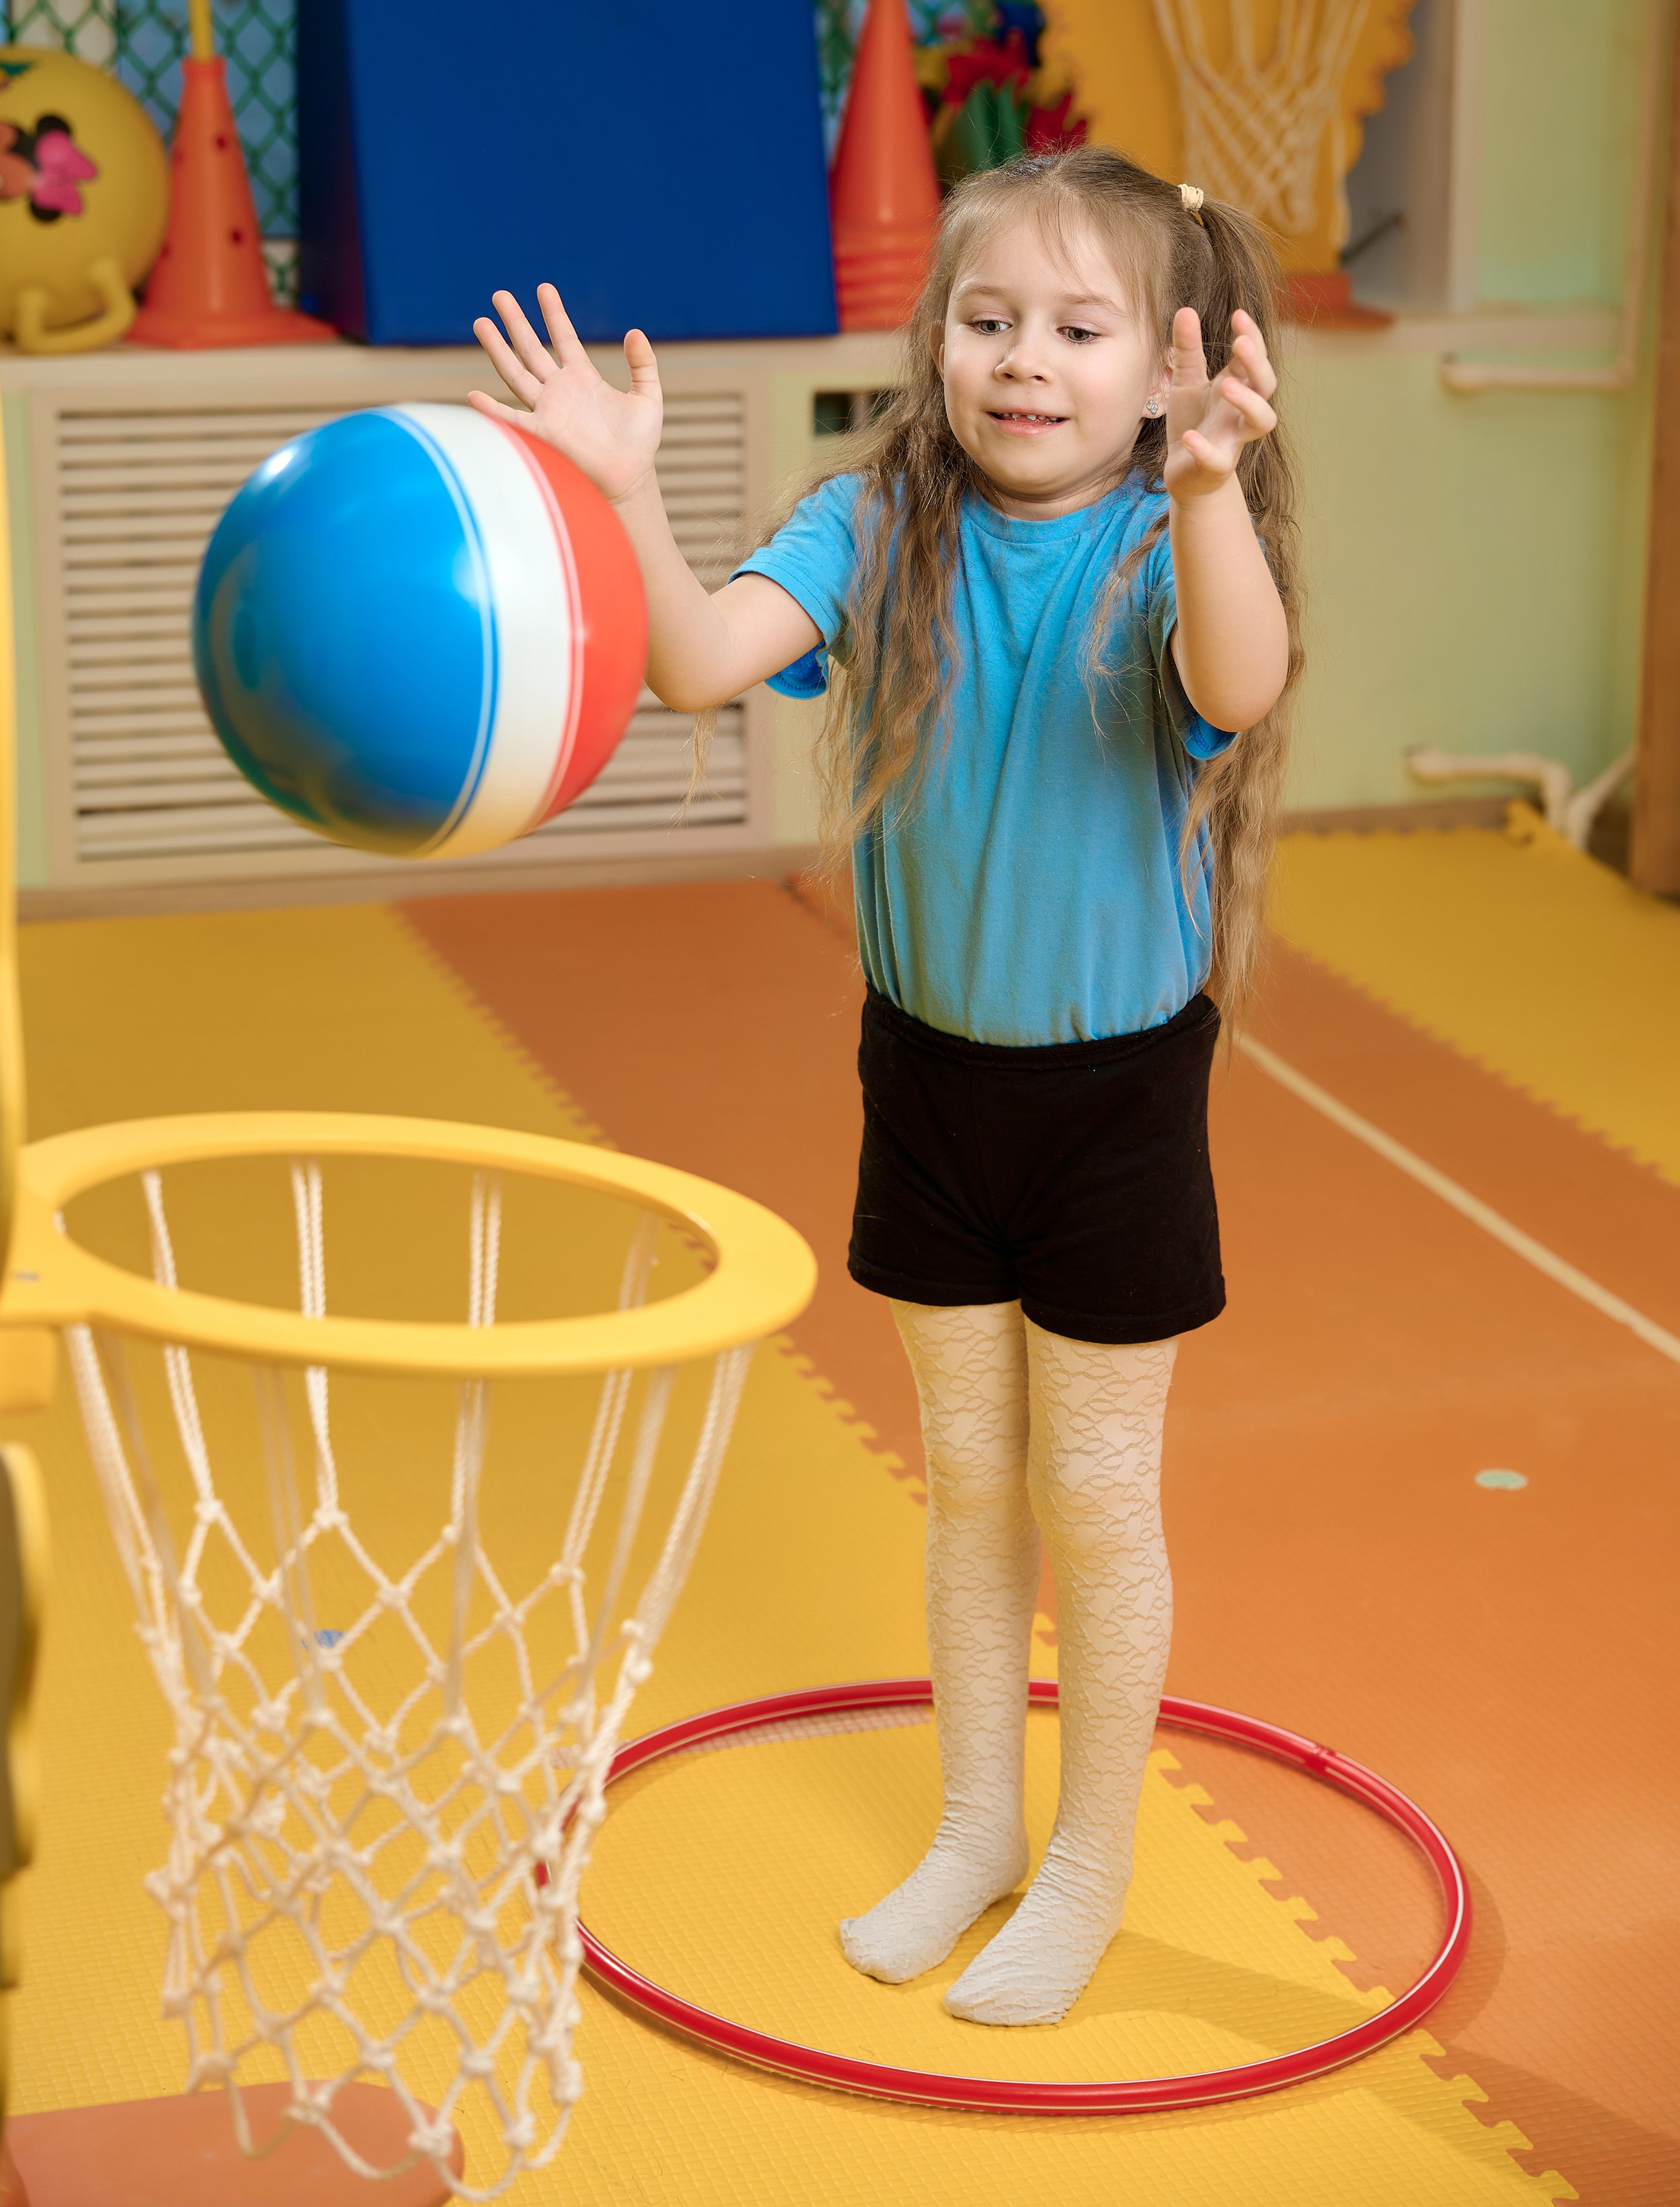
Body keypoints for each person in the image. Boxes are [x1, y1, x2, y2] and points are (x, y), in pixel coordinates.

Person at [470, 147, 1301, 2027]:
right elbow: (697, 665)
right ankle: (980, 1826)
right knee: (970, 1488)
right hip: (928, 1084)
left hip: (1113, 1103)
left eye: (1080, 330)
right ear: (938, 341)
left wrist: (1207, 492)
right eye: (988, 319)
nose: (1025, 361)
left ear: (1164, 370)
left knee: (1097, 1494)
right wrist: (620, 489)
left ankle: (1088, 1866)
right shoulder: (872, 522)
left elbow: (1242, 686)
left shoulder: (1165, 539)